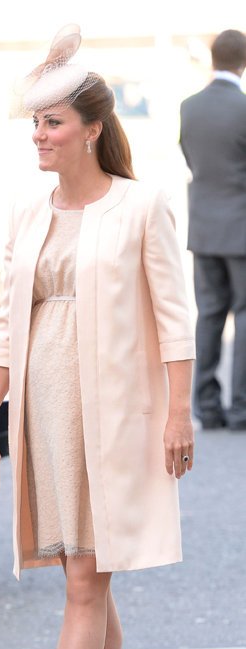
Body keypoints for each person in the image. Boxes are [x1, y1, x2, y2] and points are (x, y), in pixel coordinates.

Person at [0, 25, 194, 649]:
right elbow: (6, 326)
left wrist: (179, 414)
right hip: (45, 414)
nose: (39, 135)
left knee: (88, 579)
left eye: (53, 122)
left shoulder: (142, 204)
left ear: (92, 129)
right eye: (36, 122)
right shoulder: (30, 212)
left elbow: (176, 319)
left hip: (116, 417)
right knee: (82, 578)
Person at [179, 29, 246, 431]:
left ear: (214, 58)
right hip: (242, 230)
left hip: (203, 229)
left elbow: (192, 159)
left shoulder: (189, 107)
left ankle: (206, 406)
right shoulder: (243, 108)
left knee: (208, 315)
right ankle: (240, 409)